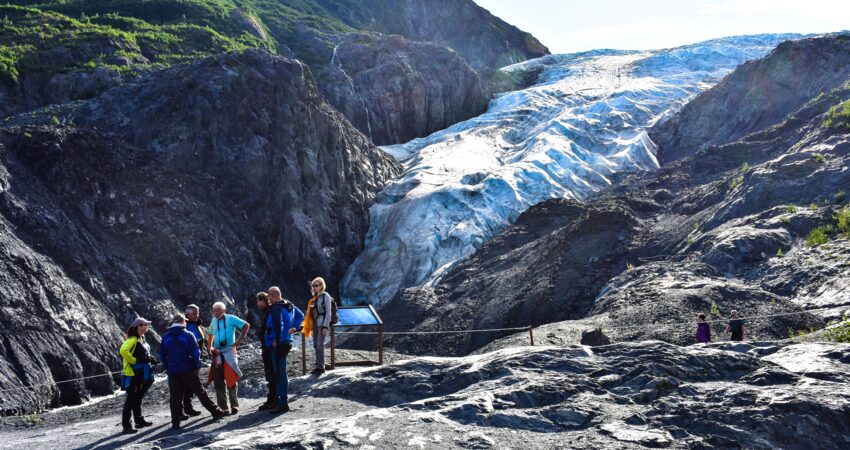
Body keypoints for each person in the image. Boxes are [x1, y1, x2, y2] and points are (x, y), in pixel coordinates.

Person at [161, 314, 227, 430]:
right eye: (185, 321)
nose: (186, 323)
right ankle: (216, 412)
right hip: (187, 368)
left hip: (173, 370)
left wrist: (168, 367)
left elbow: (162, 355)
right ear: (182, 322)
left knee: (175, 396)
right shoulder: (188, 335)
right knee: (200, 391)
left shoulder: (166, 337)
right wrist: (196, 367)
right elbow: (196, 353)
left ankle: (175, 422)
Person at [206, 301, 250, 415]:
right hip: (217, 353)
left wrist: (239, 341)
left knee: (231, 378)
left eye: (218, 311)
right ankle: (223, 408)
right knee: (218, 380)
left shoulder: (231, 318)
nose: (216, 313)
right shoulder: (213, 320)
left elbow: (246, 325)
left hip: (230, 351)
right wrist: (209, 347)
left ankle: (234, 405)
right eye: (214, 311)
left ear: (224, 311)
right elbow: (210, 334)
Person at [266, 286, 305, 414]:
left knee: (279, 372)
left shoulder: (276, 307)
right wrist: (295, 328)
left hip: (279, 343)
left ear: (273, 295)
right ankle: (279, 401)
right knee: (281, 371)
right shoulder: (289, 304)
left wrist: (276, 339)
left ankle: (282, 402)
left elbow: (279, 324)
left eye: (269, 296)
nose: (268, 299)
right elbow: (301, 316)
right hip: (288, 341)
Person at [119, 317, 159, 434]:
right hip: (134, 373)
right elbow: (123, 350)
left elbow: (145, 354)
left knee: (138, 397)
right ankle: (126, 426)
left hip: (141, 372)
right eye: (145, 325)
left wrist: (151, 360)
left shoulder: (141, 339)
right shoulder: (133, 339)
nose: (147, 327)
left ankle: (139, 420)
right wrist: (133, 360)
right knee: (131, 398)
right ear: (139, 326)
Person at [303, 277, 334, 375]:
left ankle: (321, 367)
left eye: (316, 285)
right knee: (316, 345)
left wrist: (325, 326)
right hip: (315, 323)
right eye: (313, 285)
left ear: (321, 286)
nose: (314, 287)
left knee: (320, 345)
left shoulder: (326, 296)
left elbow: (328, 313)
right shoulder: (314, 298)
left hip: (321, 324)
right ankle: (318, 366)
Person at [181, 304, 207, 417]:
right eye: (195, 313)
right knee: (184, 385)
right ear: (187, 314)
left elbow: (200, 340)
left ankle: (188, 407)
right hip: (187, 360)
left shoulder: (196, 325)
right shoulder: (184, 326)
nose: (197, 315)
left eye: (198, 313)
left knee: (190, 385)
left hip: (196, 359)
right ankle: (181, 409)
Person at [256, 292, 277, 411]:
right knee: (270, 373)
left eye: (258, 301)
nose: (257, 303)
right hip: (267, 345)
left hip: (268, 347)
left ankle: (272, 400)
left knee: (270, 373)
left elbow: (270, 328)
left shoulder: (268, 312)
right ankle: (272, 399)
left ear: (263, 301)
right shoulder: (267, 311)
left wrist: (270, 340)